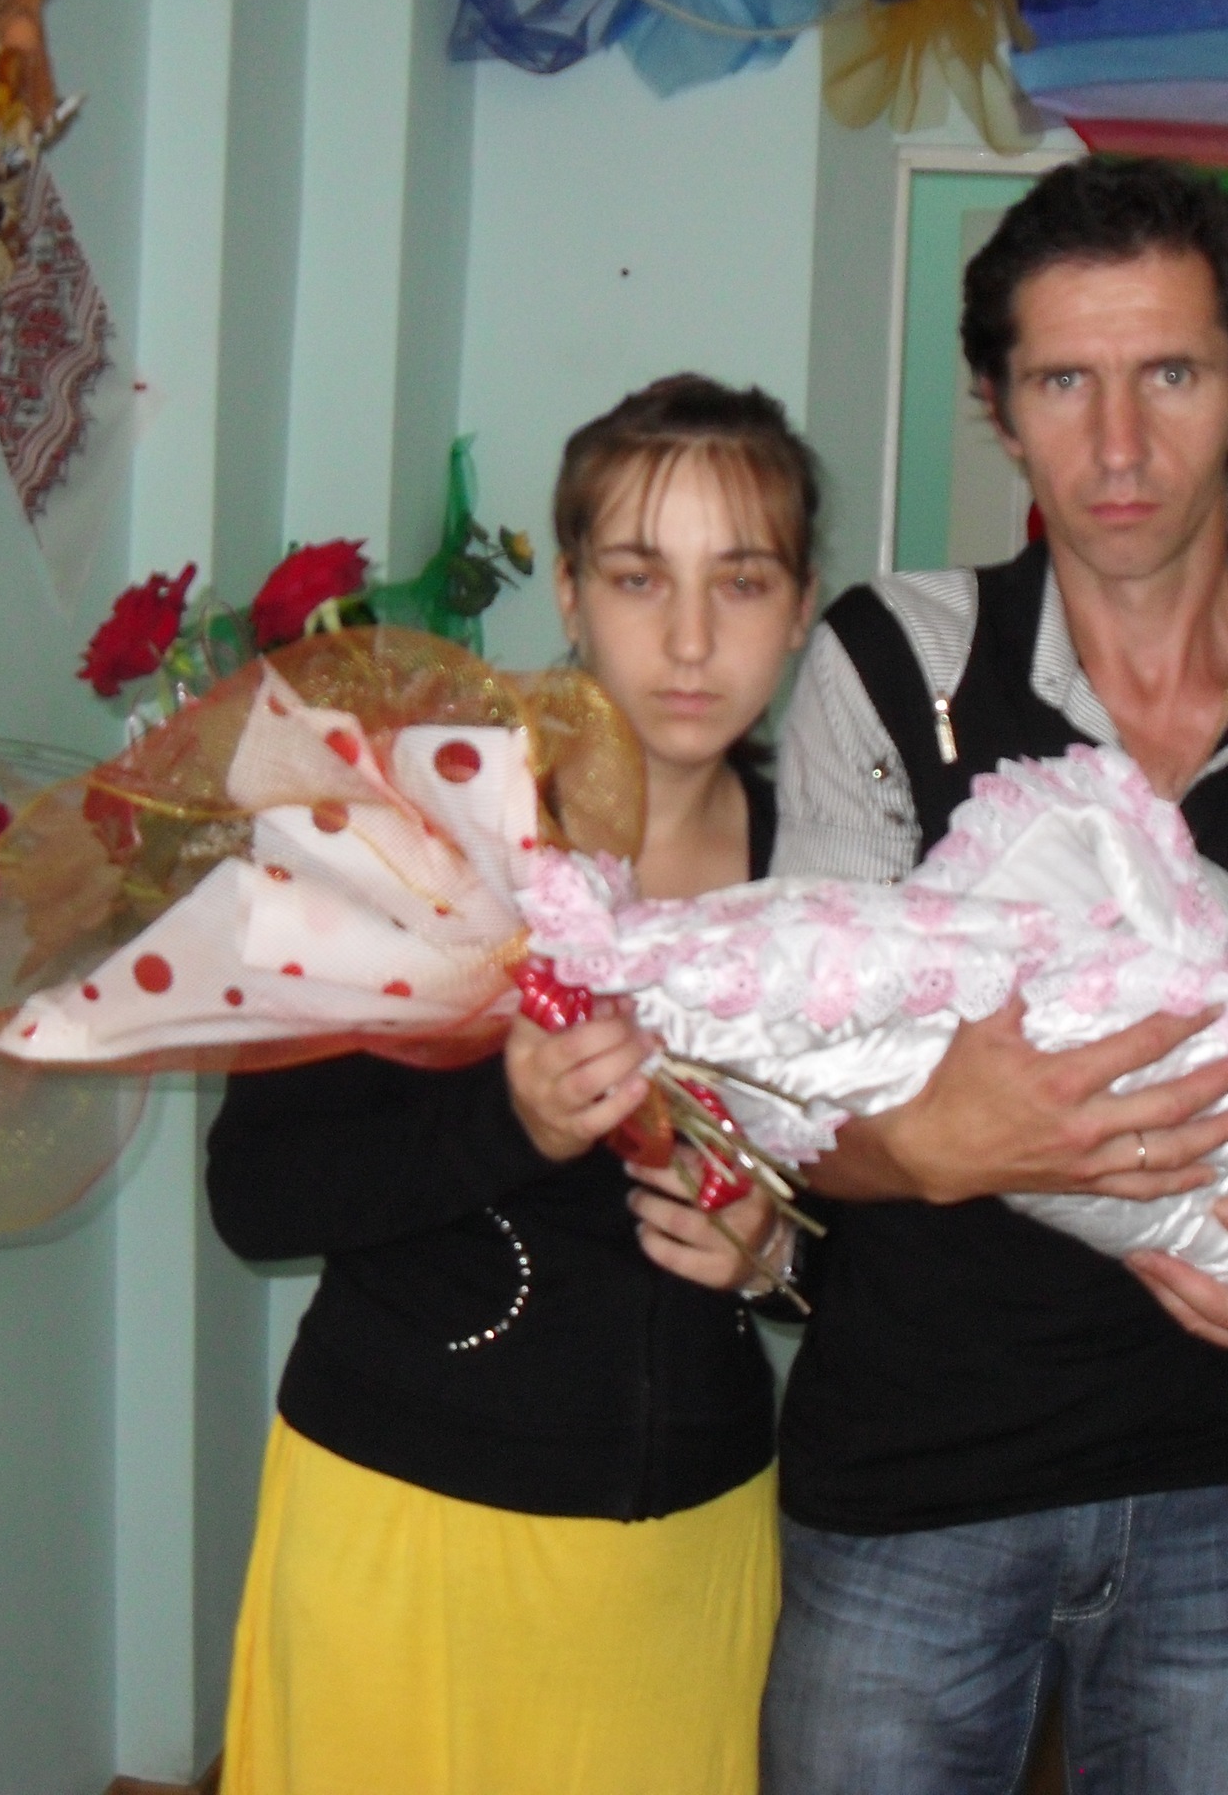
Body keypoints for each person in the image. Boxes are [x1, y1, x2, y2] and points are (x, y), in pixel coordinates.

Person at [759, 157, 1228, 1794]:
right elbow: (787, 1104)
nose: (1115, 446)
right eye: (1061, 382)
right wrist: (933, 1145)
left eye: (1168, 374)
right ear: (998, 408)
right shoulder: (891, 673)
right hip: (913, 1489)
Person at [206, 375, 821, 1795]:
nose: (688, 639)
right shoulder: (408, 835)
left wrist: (780, 1258)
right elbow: (258, 1192)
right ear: (570, 594)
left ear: (800, 609)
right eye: (638, 577)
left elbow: (912, 1235)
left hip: (687, 1554)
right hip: (408, 1527)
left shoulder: (835, 873)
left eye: (740, 582)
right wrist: (511, 1120)